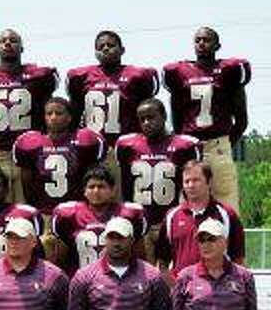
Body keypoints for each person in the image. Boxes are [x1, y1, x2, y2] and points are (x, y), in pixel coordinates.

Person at [0, 29, 59, 202]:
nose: (8, 43)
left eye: (13, 40)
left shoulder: (38, 76)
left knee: (30, 205)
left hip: (30, 153)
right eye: (3, 41)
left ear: (22, 48)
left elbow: (49, 107)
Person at [163, 26, 251, 209]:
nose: (201, 43)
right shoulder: (180, 73)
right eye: (198, 40)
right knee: (187, 204)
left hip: (217, 145)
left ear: (217, 45)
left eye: (206, 40)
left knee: (226, 204)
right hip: (189, 146)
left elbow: (241, 120)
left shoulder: (228, 71)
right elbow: (176, 116)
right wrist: (183, 142)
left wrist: (224, 142)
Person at [115, 99, 203, 245]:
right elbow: (125, 186)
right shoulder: (128, 145)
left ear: (164, 116)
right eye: (142, 119)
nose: (146, 123)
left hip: (171, 220)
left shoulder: (184, 145)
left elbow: (192, 187)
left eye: (151, 117)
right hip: (140, 221)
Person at [65, 30, 159, 161]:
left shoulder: (136, 76)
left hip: (127, 145)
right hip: (92, 144)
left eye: (110, 45)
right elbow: (74, 113)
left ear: (122, 50)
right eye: (100, 46)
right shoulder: (81, 77)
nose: (105, 49)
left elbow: (148, 110)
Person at [12, 96, 105, 221]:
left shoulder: (84, 140)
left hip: (76, 212)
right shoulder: (31, 143)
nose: (53, 117)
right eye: (49, 113)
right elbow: (26, 183)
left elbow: (92, 177)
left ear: (69, 117)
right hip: (44, 212)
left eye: (59, 113)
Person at [50, 164, 148, 272]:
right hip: (81, 280)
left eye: (101, 186)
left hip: (119, 281)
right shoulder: (68, 215)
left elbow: (140, 256)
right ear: (84, 191)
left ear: (113, 190)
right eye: (91, 187)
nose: (96, 191)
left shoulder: (129, 214)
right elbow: (60, 260)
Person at [156, 160, 244, 277]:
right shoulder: (171, 216)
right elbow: (162, 262)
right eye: (186, 181)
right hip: (182, 291)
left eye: (196, 180)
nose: (191, 185)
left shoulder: (227, 214)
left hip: (217, 292)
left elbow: (238, 259)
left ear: (209, 182)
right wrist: (174, 287)